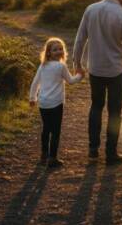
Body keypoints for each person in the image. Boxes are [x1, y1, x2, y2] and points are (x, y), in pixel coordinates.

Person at [74, 0, 122, 164]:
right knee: (115, 112)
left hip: (95, 67)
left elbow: (80, 39)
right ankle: (111, 153)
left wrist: (77, 62)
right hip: (117, 69)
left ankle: (93, 150)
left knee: (96, 107)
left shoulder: (91, 9)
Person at [28, 37, 84, 168]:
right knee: (56, 130)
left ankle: (44, 154)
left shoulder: (42, 66)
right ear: (48, 52)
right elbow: (70, 80)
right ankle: (52, 158)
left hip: (43, 102)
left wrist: (32, 98)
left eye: (60, 49)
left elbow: (35, 83)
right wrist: (80, 76)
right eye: (55, 50)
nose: (59, 51)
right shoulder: (61, 66)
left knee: (46, 129)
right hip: (56, 103)